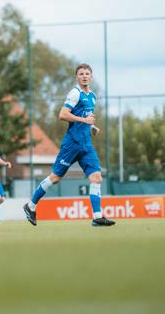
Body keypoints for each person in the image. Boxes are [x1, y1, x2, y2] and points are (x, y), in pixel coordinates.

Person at [23, 64, 115, 227]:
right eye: (81, 74)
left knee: (96, 178)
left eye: (87, 73)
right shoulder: (75, 93)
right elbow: (63, 114)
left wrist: (92, 126)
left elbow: (84, 117)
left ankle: (97, 216)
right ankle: (30, 206)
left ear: (91, 77)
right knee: (56, 178)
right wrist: (85, 121)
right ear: (77, 77)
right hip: (72, 144)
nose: (85, 76)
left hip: (86, 145)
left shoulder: (92, 96)